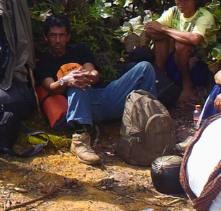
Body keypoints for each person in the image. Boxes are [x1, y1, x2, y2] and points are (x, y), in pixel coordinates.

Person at [34, 16, 156, 166]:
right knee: (77, 83)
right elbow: (50, 87)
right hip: (86, 107)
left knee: (144, 67)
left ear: (68, 37)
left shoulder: (79, 50)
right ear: (46, 38)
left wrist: (89, 76)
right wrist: (65, 80)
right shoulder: (44, 62)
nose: (58, 40)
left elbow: (93, 73)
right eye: (53, 36)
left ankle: (151, 124)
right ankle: (79, 140)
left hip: (104, 96)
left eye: (62, 35)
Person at [143, 0, 216, 106]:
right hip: (174, 61)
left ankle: (188, 87)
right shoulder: (173, 12)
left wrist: (165, 29)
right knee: (161, 39)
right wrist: (166, 33)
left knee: (182, 45)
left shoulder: (204, 16)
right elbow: (150, 29)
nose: (181, 3)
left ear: (196, 0)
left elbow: (195, 39)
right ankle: (160, 81)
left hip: (198, 66)